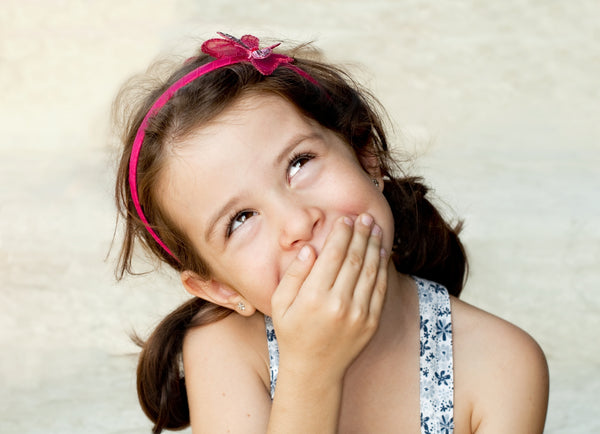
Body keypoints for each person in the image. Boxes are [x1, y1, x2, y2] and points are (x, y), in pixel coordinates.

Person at [113, 32, 549, 434]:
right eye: (241, 219)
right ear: (219, 288)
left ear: (366, 156)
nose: (298, 223)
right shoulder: (223, 349)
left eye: (299, 163)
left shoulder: (502, 364)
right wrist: (311, 370)